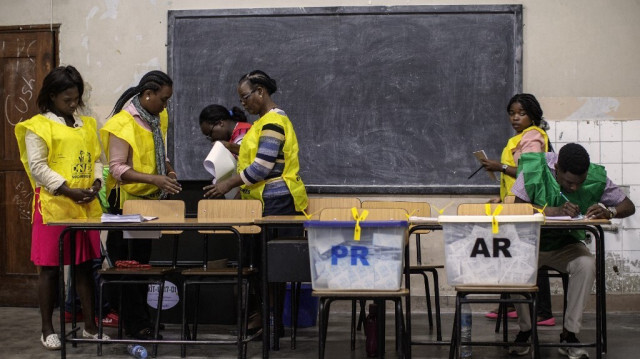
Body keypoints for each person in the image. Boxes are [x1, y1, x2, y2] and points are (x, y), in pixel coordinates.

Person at [14, 65, 111, 350]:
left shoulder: (87, 124)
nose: (73, 104)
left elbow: (96, 158)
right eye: (67, 99)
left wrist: (94, 184)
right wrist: (67, 189)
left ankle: (90, 326)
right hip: (54, 205)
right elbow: (38, 166)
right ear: (52, 96)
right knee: (49, 269)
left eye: (76, 99)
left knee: (83, 267)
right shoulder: (38, 126)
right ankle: (47, 329)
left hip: (83, 205)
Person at [509, 143, 635, 358]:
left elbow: (628, 206)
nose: (574, 188)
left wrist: (609, 210)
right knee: (511, 263)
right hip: (531, 243)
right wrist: (552, 211)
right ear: (556, 168)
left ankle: (569, 334)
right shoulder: (532, 169)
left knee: (586, 264)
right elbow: (516, 210)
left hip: (566, 244)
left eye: (580, 183)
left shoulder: (596, 176)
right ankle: (526, 330)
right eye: (569, 182)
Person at [100, 70, 181, 340]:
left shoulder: (158, 117)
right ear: (148, 95)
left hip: (148, 205)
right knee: (127, 266)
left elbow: (160, 152)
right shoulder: (121, 124)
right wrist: (155, 179)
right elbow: (117, 169)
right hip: (126, 205)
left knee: (143, 265)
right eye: (163, 99)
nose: (166, 105)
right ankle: (135, 326)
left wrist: (167, 170)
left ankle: (141, 320)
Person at [480, 93, 556, 326]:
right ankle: (513, 304)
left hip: (528, 205)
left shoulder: (532, 137)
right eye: (512, 113)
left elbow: (528, 173)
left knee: (531, 255)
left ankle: (542, 311)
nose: (515, 118)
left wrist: (499, 166)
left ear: (532, 115)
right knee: (515, 252)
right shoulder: (521, 137)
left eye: (521, 113)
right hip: (516, 204)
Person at [203, 70, 308, 216]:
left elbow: (261, 167)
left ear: (260, 91)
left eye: (245, 97)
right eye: (241, 100)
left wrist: (227, 184)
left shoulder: (272, 122)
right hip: (266, 199)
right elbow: (257, 154)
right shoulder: (262, 122)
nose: (243, 104)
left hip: (277, 201)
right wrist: (231, 147)